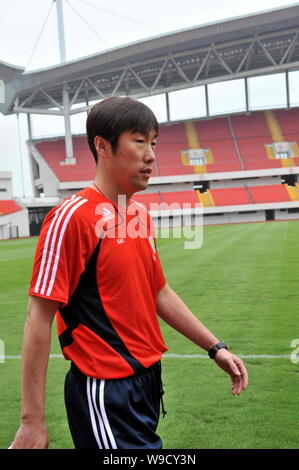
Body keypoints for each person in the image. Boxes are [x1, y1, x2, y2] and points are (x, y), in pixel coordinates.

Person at [11, 96, 248, 449]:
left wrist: (215, 348)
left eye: (153, 143)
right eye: (139, 141)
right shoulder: (72, 217)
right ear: (102, 146)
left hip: (147, 383)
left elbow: (158, 292)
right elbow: (38, 316)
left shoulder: (138, 215)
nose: (151, 154)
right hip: (105, 391)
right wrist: (32, 422)